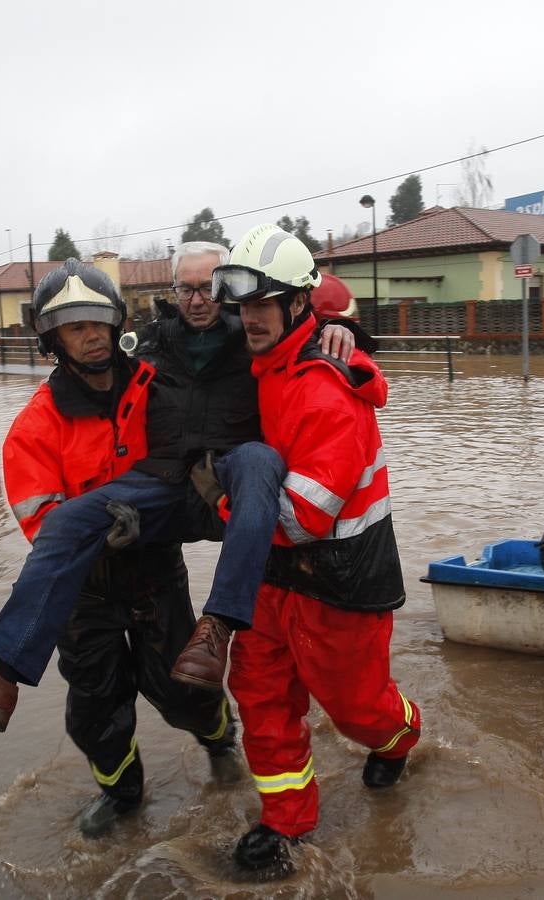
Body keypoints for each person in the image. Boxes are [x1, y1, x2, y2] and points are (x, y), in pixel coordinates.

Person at [0, 242, 357, 717]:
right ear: (174, 291)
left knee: (259, 458)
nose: (196, 299)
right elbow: (92, 374)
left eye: (208, 287)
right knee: (67, 522)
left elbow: (300, 336)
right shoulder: (146, 347)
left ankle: (217, 628)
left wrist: (338, 330)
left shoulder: (256, 337)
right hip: (162, 485)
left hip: (228, 483)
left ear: (227, 288)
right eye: (186, 287)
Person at [0, 259, 238, 836]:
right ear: (52, 338)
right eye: (75, 327)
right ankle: (123, 794)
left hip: (155, 573)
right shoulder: (35, 425)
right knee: (96, 708)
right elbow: (44, 523)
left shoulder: (157, 391)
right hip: (83, 591)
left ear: (116, 322)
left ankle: (220, 738)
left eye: (99, 322)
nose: (92, 335)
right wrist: (106, 531)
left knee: (182, 692)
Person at [214, 223, 420, 874]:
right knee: (259, 694)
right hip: (274, 574)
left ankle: (401, 736)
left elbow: (303, 516)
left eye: (261, 305)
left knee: (359, 709)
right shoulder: (261, 363)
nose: (249, 319)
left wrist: (219, 501)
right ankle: (287, 822)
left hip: (340, 580)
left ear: (298, 305)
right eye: (242, 306)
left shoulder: (327, 391)